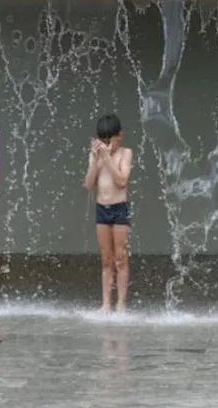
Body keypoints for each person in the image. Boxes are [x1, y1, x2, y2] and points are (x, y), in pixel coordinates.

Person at [84, 114, 133, 313]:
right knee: (106, 258)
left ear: (119, 136)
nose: (106, 144)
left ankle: (121, 303)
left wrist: (108, 159)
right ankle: (105, 303)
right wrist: (97, 160)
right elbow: (88, 185)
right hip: (102, 209)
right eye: (102, 140)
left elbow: (122, 181)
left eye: (109, 139)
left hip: (119, 208)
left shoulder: (125, 153)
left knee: (120, 257)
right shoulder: (95, 156)